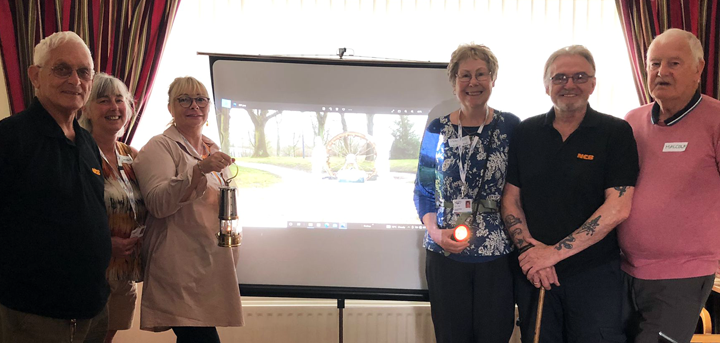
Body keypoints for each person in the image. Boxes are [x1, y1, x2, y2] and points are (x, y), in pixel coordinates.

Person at [501, 45, 639, 343]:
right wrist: (530, 254)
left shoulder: (615, 132)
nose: (569, 84)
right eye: (560, 77)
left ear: (592, 83)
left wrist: (552, 254)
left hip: (593, 274)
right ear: (547, 85)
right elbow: (511, 199)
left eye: (579, 76)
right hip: (534, 273)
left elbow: (618, 207)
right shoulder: (526, 132)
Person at [0, 31, 111, 342]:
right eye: (62, 69)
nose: (75, 81)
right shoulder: (10, 139)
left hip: (93, 310)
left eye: (83, 71)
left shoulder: (87, 141)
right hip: (32, 315)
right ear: (36, 76)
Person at [413, 44, 520, 343]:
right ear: (454, 82)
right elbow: (423, 190)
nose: (473, 83)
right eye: (465, 75)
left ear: (493, 78)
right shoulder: (438, 128)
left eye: (481, 74)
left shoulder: (511, 127)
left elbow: (524, 187)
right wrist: (434, 232)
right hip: (444, 253)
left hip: (496, 254)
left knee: (494, 336)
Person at [619, 28, 720, 343]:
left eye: (674, 63)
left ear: (698, 69)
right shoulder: (631, 121)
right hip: (624, 269)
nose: (661, 72)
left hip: (683, 274)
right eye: (654, 64)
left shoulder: (716, 119)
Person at [133, 76, 243, 342]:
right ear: (170, 108)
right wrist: (199, 170)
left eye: (201, 99)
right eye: (184, 99)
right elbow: (159, 204)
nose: (194, 105)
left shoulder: (213, 149)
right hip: (178, 269)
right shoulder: (158, 147)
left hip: (211, 267)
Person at [79, 73, 147, 342]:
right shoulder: (77, 152)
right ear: (86, 108)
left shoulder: (132, 155)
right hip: (88, 273)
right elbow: (67, 215)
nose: (114, 107)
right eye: (103, 100)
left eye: (119, 100)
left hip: (123, 274)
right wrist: (105, 244)